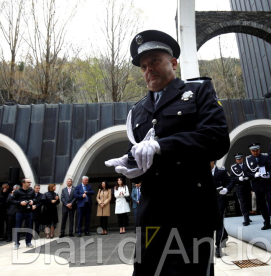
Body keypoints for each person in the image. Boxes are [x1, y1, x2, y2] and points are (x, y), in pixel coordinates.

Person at [105, 30, 230, 276]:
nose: (148, 69)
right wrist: (131, 167)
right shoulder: (138, 111)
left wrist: (163, 146)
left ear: (173, 63)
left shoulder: (198, 91)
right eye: (142, 66)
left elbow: (217, 139)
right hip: (152, 213)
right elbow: (142, 158)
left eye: (154, 61)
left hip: (191, 211)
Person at [244, 143, 271, 231]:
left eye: (257, 150)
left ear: (259, 149)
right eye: (253, 151)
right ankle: (267, 222)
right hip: (257, 185)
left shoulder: (265, 157)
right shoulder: (248, 159)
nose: (255, 152)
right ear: (250, 151)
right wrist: (253, 175)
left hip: (267, 183)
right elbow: (246, 172)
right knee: (262, 205)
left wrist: (269, 174)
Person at [211, 161, 233, 258]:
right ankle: (224, 236)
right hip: (208, 202)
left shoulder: (221, 171)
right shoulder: (202, 172)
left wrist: (227, 189)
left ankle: (218, 246)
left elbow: (231, 180)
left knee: (219, 223)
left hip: (220, 200)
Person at [11, 178, 35, 250]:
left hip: (29, 211)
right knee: (18, 227)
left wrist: (32, 201)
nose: (29, 183)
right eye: (28, 182)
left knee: (29, 227)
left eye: (30, 182)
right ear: (23, 183)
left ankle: (28, 242)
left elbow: (35, 198)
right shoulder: (17, 191)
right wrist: (20, 203)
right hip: (20, 211)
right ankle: (16, 243)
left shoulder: (32, 191)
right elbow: (12, 200)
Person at [230, 153, 252, 226]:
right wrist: (238, 179)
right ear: (235, 159)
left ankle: (248, 216)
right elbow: (232, 178)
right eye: (237, 159)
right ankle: (246, 219)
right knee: (242, 202)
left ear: (242, 158)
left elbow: (250, 173)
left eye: (240, 159)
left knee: (248, 201)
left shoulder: (246, 165)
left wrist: (248, 177)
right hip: (239, 187)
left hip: (247, 186)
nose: (239, 160)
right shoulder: (233, 167)